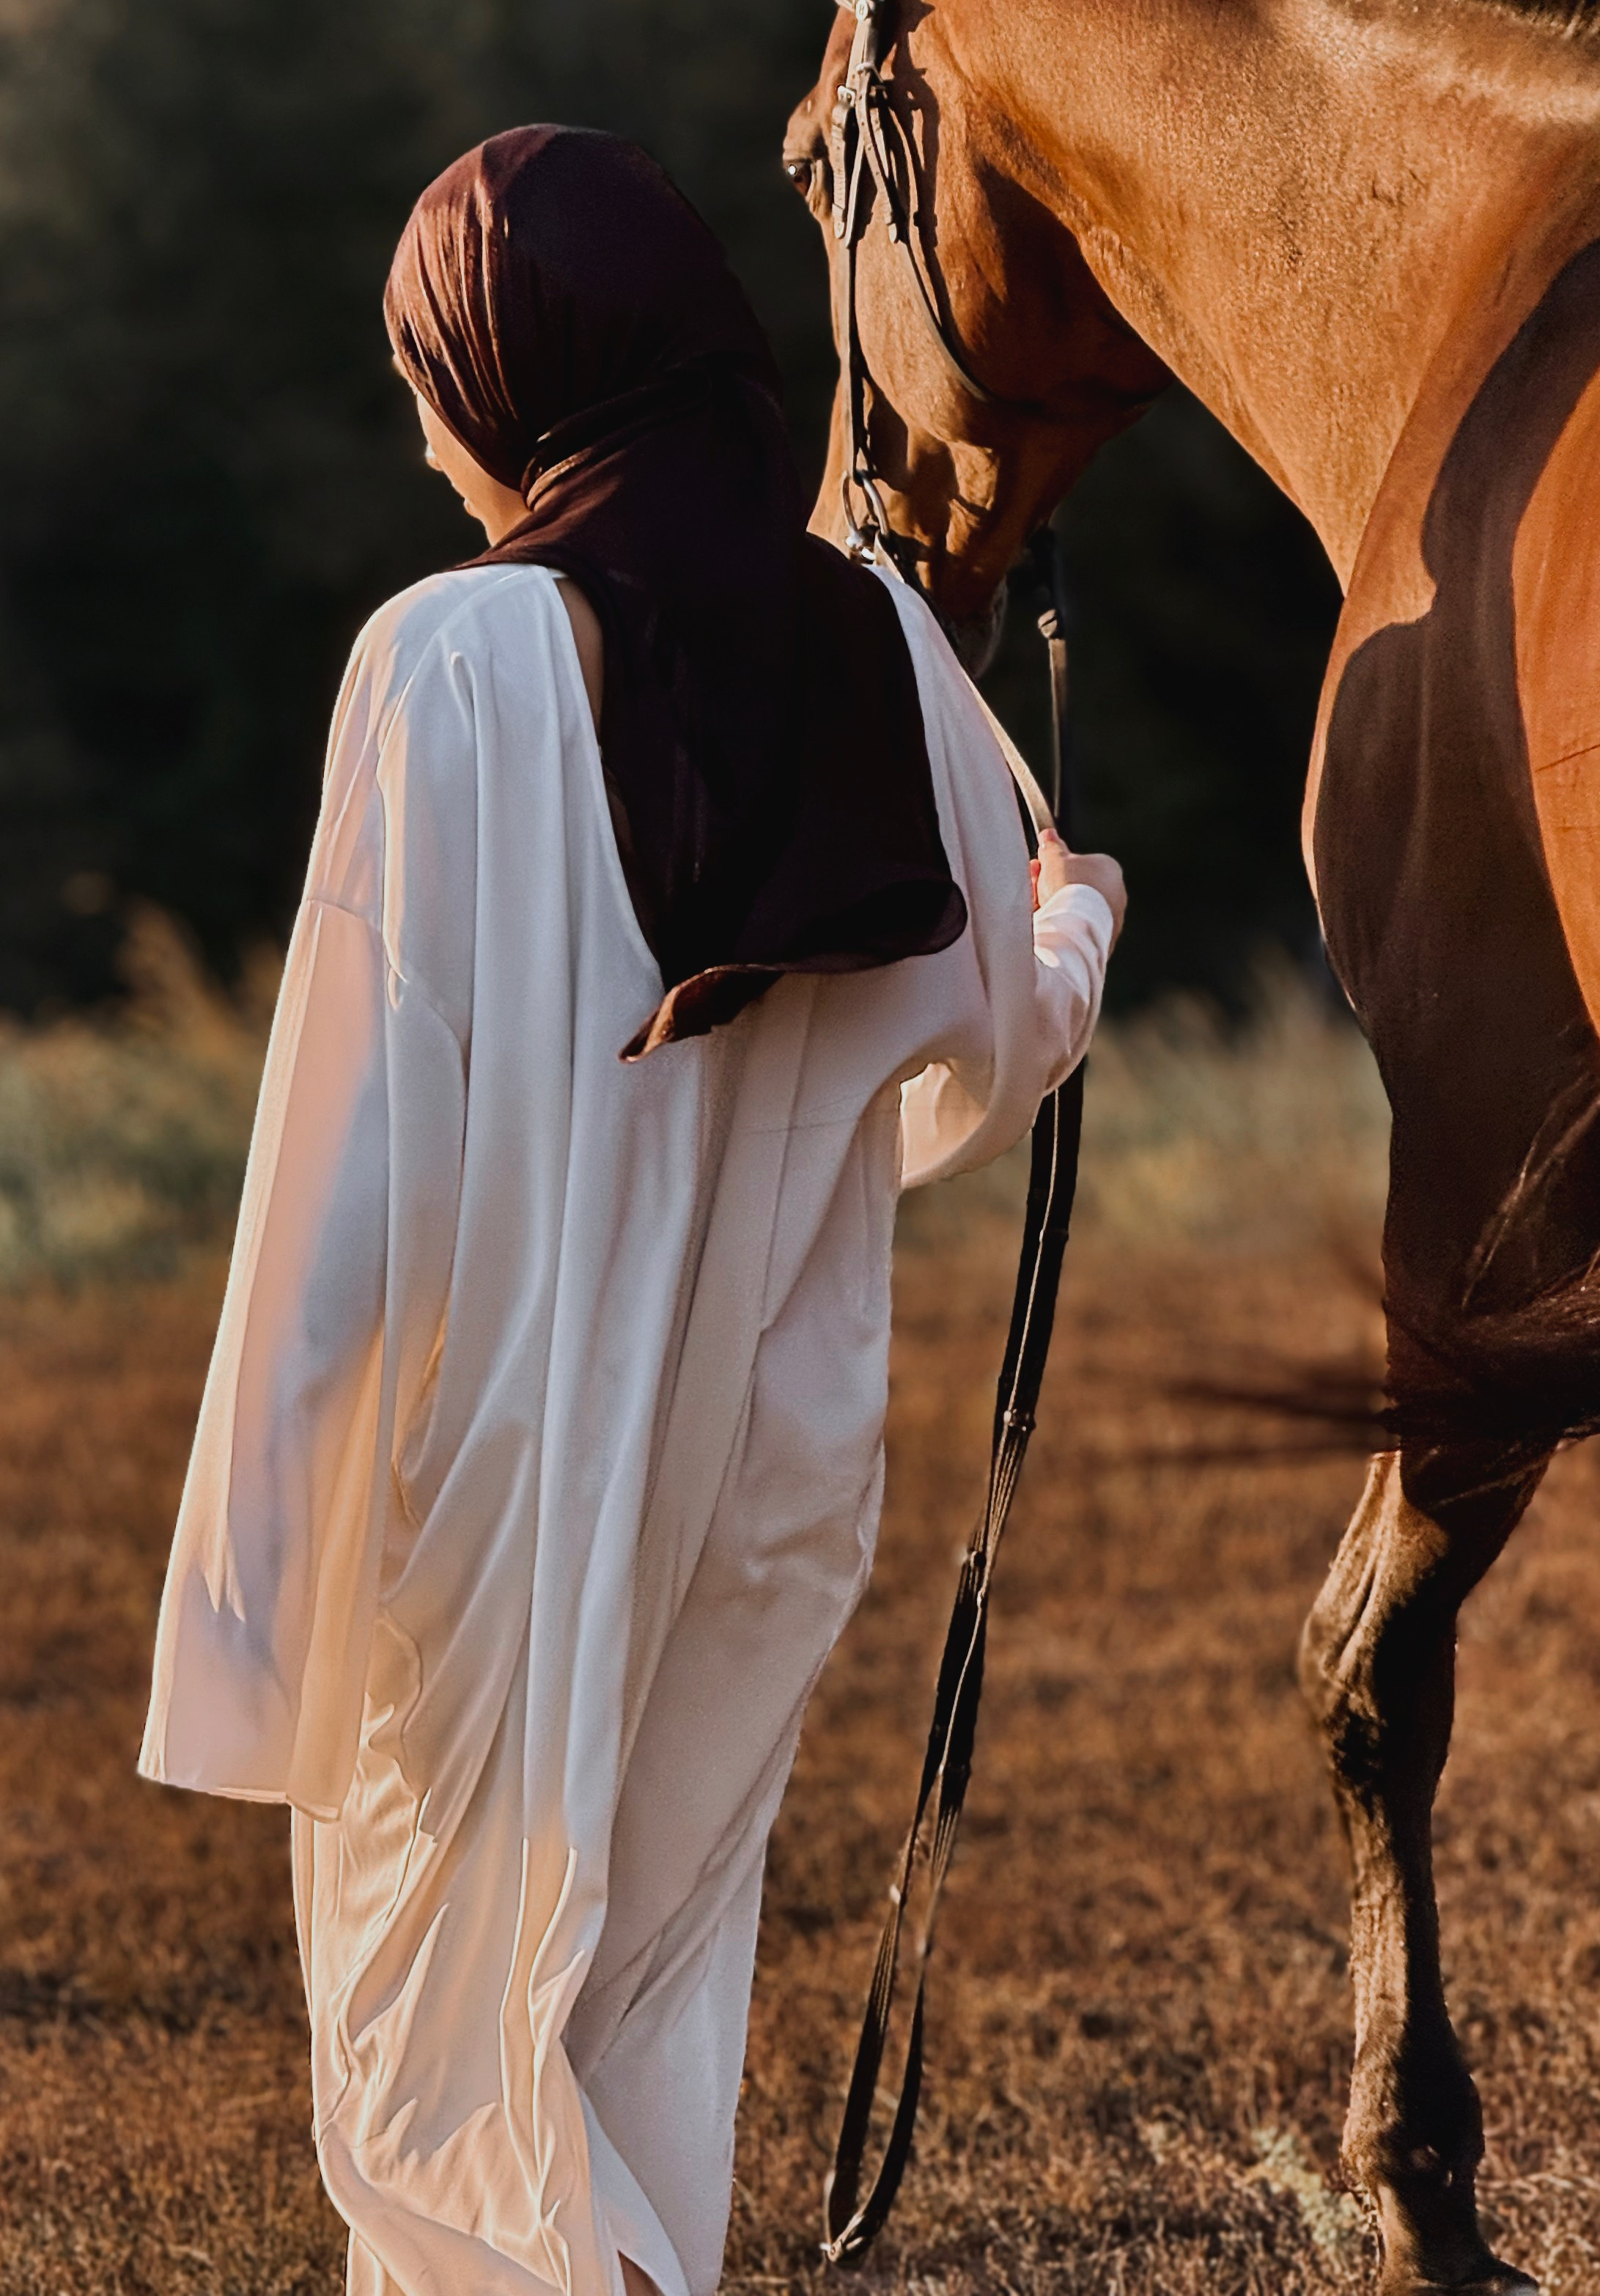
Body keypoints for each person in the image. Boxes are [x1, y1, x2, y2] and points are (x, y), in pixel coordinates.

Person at [139, 125, 1124, 2296]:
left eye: (432, 382)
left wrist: (250, 1602)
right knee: (649, 1996)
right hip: (769, 1483)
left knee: (431, 2082)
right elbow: (977, 1051)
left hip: (498, 1482)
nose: (422, 439)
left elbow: (345, 1165)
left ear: (520, 375)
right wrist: (1081, 922)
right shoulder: (876, 639)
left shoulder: (445, 667)